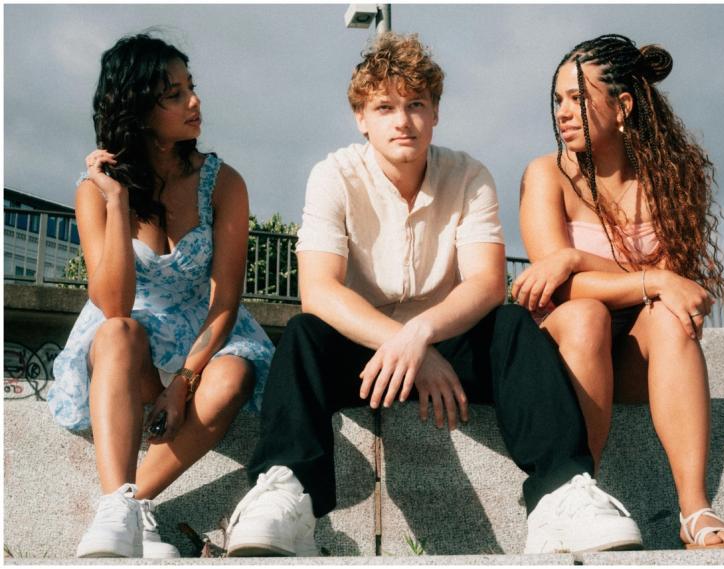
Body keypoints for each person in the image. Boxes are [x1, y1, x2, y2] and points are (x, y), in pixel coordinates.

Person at [224, 32, 642, 560]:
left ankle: (562, 491)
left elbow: (486, 283)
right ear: (361, 118)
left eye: (416, 105)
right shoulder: (334, 175)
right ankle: (286, 490)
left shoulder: (469, 176)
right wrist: (403, 345)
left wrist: (422, 336)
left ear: (435, 112)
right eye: (385, 107)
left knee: (513, 325)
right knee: (304, 335)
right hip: (364, 352)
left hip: (447, 340)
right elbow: (319, 292)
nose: (403, 121)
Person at [513, 34, 724, 549]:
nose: (563, 112)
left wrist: (581, 258)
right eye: (557, 99)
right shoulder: (546, 175)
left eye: (577, 98)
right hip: (567, 352)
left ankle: (695, 509)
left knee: (668, 317)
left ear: (622, 106)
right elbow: (560, 286)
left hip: (638, 358)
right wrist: (649, 277)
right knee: (588, 313)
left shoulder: (674, 176)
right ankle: (578, 496)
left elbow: (679, 291)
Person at [47, 33, 274, 559]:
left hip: (206, 334)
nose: (194, 101)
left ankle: (127, 509)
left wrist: (183, 384)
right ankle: (122, 514)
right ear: (138, 109)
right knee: (118, 332)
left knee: (234, 375)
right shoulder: (95, 190)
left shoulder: (223, 182)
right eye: (174, 94)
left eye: (191, 87)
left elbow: (226, 299)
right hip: (132, 341)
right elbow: (113, 303)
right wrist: (118, 202)